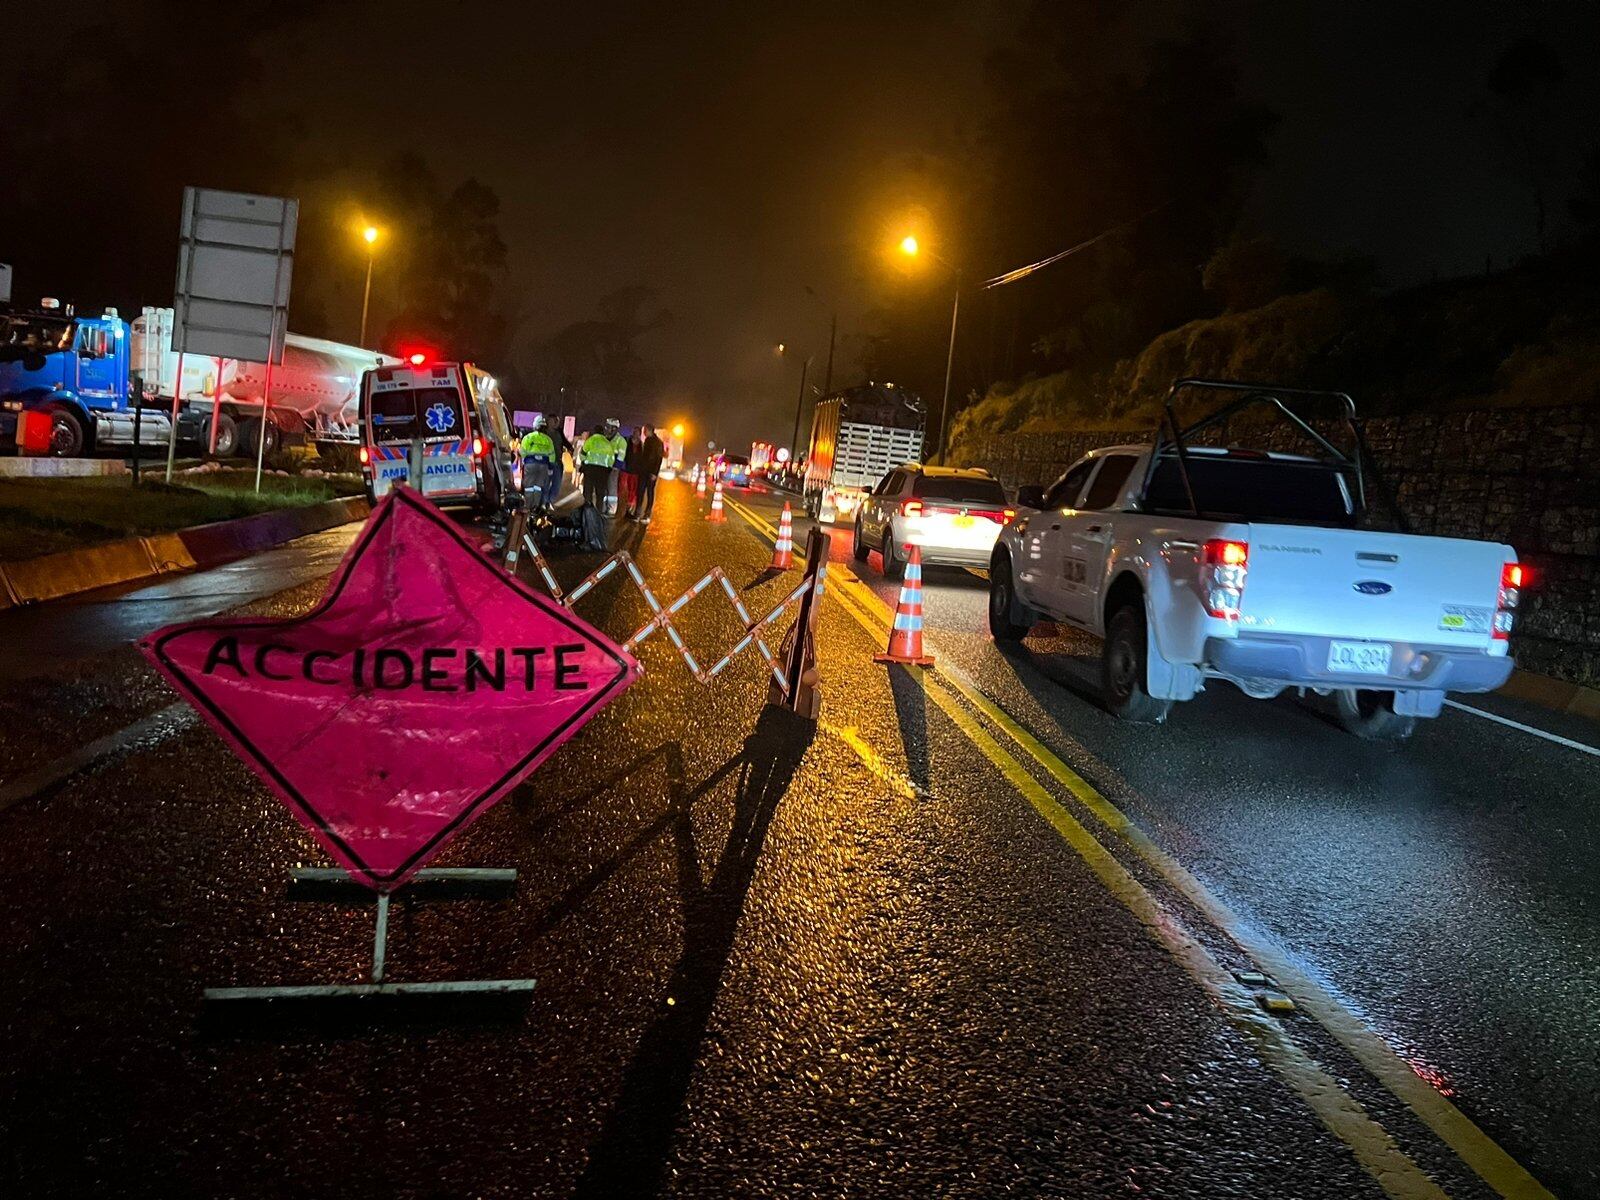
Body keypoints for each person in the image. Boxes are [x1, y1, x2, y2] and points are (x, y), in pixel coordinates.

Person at [518, 416, 557, 508]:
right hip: (543, 466)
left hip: (530, 464)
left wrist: (523, 463)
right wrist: (550, 468)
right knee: (538, 487)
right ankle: (535, 507)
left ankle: (528, 507)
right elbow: (552, 456)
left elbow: (522, 452)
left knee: (528, 487)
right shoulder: (548, 440)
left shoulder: (528, 437)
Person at [579, 423, 617, 510]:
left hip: (590, 469)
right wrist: (608, 468)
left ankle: (587, 509)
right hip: (603, 471)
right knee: (600, 493)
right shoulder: (607, 443)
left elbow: (582, 454)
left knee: (588, 491)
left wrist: (584, 463)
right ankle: (599, 511)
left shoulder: (590, 440)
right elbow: (611, 458)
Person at [633, 424, 665, 524]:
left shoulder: (658, 443)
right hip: (644, 471)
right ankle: (637, 513)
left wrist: (654, 473)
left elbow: (658, 459)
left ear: (649, 430)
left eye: (645, 430)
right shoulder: (647, 441)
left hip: (650, 472)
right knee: (640, 492)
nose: (643, 433)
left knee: (649, 493)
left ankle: (646, 515)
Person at [619, 428, 641, 517]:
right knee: (622, 488)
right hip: (626, 469)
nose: (636, 434)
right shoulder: (627, 441)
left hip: (635, 471)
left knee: (632, 490)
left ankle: (629, 509)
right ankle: (620, 507)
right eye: (635, 432)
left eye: (637, 432)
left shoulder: (641, 445)